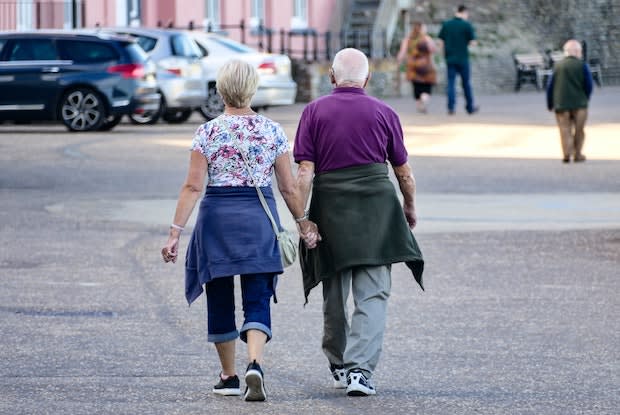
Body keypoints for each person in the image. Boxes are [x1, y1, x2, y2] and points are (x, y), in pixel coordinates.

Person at [161, 59, 319, 402]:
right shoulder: (273, 131)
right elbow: (289, 188)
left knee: (219, 297)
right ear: (253, 89)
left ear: (220, 90)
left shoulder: (208, 131)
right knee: (258, 297)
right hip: (258, 221)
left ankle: (229, 376)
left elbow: (192, 187)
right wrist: (303, 223)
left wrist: (175, 232)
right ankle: (256, 364)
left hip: (216, 222)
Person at [293, 48, 425, 397]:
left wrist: (302, 218)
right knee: (373, 293)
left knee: (333, 291)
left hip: (330, 207)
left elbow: (304, 171)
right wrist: (408, 208)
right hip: (376, 210)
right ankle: (359, 373)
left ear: (332, 77)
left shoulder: (314, 111)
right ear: (367, 79)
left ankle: (338, 363)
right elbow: (403, 173)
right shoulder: (384, 112)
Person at [546, 39, 594, 163]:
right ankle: (577, 154)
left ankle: (567, 154)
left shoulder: (557, 66)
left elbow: (550, 86)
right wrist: (585, 98)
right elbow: (589, 85)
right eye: (580, 51)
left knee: (564, 129)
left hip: (561, 104)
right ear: (577, 51)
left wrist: (550, 103)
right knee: (579, 130)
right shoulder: (582, 65)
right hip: (580, 104)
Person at [437, 4, 479, 115]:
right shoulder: (466, 25)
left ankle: (451, 107)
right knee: (466, 83)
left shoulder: (446, 25)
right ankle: (470, 107)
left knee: (451, 83)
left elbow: (440, 42)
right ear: (464, 12)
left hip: (450, 59)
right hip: (463, 59)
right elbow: (473, 42)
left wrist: (445, 53)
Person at [397, 21, 438, 113]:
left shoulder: (407, 39)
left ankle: (419, 103)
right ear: (422, 29)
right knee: (427, 86)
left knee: (416, 86)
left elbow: (402, 53)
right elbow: (433, 50)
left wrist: (399, 61)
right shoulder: (427, 39)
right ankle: (424, 98)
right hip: (426, 65)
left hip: (413, 65)